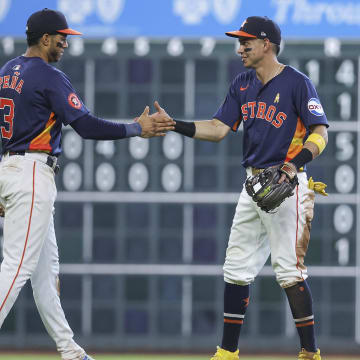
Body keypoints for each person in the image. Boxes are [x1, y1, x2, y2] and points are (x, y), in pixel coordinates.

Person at [0, 8, 174, 360]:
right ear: (45, 38)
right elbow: (86, 125)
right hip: (33, 173)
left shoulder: (7, 72)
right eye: (61, 36)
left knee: (45, 273)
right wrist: (136, 128)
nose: (66, 42)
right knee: (16, 267)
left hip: (10, 168)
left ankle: (71, 351)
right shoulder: (49, 76)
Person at [157, 16, 328, 360]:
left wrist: (294, 164)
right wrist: (176, 124)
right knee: (235, 268)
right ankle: (227, 353)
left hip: (287, 183)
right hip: (253, 184)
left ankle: (310, 353)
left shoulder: (297, 83)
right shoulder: (242, 83)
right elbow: (219, 128)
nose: (240, 48)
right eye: (240, 42)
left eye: (246, 42)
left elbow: (320, 132)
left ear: (267, 44)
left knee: (289, 271)